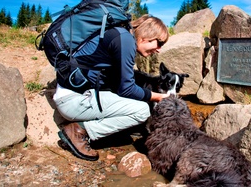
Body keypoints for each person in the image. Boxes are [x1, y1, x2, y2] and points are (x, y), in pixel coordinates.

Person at [53, 14, 170, 161]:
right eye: (159, 43)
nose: (159, 50)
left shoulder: (119, 33)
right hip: (72, 101)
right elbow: (126, 89)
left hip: (73, 94)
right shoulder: (126, 41)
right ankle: (79, 131)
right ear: (147, 36)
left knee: (135, 100)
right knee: (142, 111)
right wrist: (157, 96)